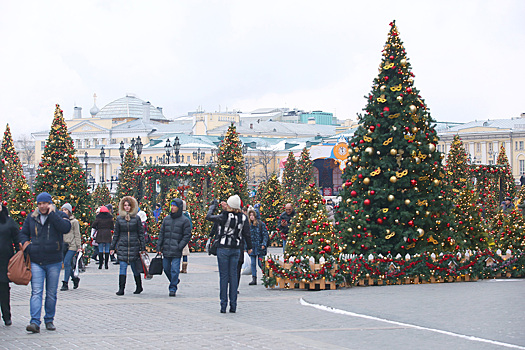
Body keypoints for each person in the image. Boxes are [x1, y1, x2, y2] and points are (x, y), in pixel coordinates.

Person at [19, 192, 72, 333]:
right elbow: (23, 233)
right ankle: (34, 322)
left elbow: (65, 228)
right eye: (40, 204)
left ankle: (49, 319)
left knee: (51, 293)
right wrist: (27, 246)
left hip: (54, 260)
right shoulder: (32, 217)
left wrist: (52, 215)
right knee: (36, 292)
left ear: (50, 204)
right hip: (36, 260)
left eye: (45, 203)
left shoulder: (60, 215)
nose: (42, 206)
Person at [206, 195, 252, 313]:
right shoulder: (243, 217)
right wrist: (250, 247)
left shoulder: (224, 216)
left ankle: (223, 305)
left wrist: (213, 206)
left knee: (224, 276)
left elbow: (209, 217)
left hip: (223, 248)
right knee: (233, 276)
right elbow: (247, 234)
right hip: (236, 248)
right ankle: (233, 305)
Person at [110, 196, 145, 296]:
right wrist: (112, 247)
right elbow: (116, 234)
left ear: (132, 206)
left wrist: (143, 247)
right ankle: (121, 289)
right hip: (123, 246)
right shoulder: (119, 219)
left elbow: (140, 233)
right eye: (125, 205)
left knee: (135, 268)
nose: (127, 207)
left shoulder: (136, 218)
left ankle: (139, 286)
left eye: (129, 205)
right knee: (123, 267)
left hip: (134, 246)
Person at [157, 199, 191, 296]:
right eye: (171, 205)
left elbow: (187, 235)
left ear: (179, 207)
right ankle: (174, 280)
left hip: (176, 250)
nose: (172, 208)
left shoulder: (184, 220)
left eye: (174, 206)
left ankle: (172, 288)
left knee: (175, 269)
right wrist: (159, 247)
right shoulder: (166, 219)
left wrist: (180, 246)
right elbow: (162, 234)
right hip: (166, 248)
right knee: (166, 268)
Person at [0, 203, 19, 326]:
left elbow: (17, 239)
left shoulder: (9, 222)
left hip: (4, 260)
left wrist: (19, 255)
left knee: (4, 290)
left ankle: (6, 315)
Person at [60, 203, 82, 291]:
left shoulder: (74, 222)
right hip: (63, 244)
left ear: (69, 211)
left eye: (65, 210)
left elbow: (77, 234)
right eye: (62, 210)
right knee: (67, 264)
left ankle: (65, 283)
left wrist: (79, 246)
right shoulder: (60, 221)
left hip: (72, 245)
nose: (64, 212)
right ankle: (75, 278)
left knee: (66, 262)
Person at [247, 207, 268, 286]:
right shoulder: (248, 225)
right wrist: (247, 247)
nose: (251, 217)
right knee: (252, 263)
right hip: (252, 247)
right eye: (250, 215)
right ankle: (254, 278)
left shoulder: (260, 224)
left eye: (253, 215)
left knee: (260, 263)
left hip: (259, 246)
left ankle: (266, 276)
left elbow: (265, 235)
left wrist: (263, 244)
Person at [91, 205, 114, 270]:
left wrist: (98, 228)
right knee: (107, 250)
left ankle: (100, 265)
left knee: (100, 249)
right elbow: (112, 227)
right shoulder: (110, 218)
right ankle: (106, 265)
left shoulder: (98, 218)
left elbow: (93, 225)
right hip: (108, 234)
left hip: (100, 234)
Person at [180, 200, 192, 274]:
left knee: (178, 253)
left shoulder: (179, 215)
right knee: (185, 253)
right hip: (185, 235)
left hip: (179, 235)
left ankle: (177, 267)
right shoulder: (188, 214)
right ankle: (184, 268)